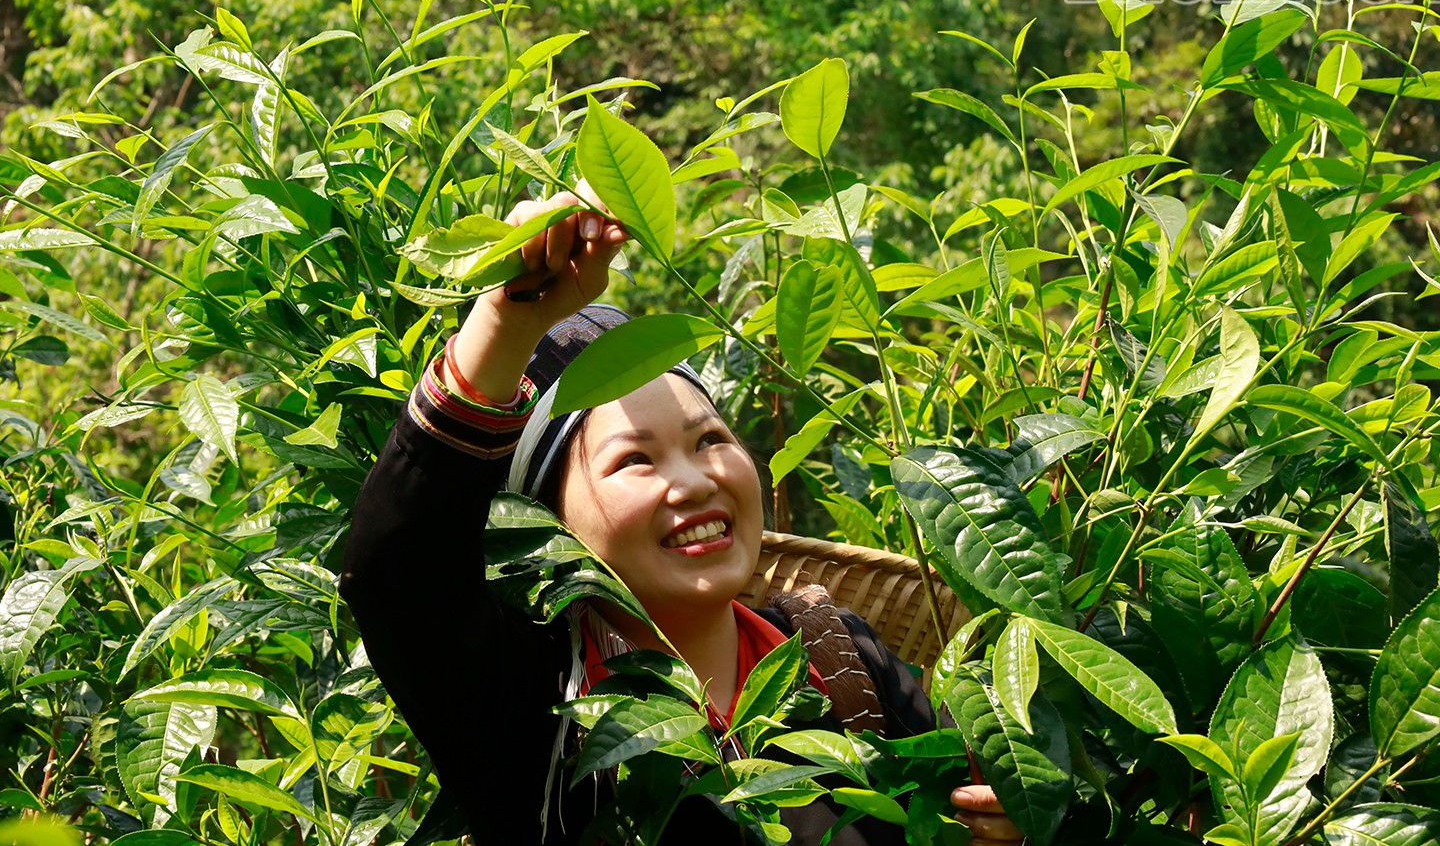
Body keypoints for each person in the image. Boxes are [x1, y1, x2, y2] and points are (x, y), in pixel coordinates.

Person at [339, 185, 1022, 845]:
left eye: (711, 440)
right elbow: (398, 575)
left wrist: (1005, 820)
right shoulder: (535, 703)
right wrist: (505, 323)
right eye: (635, 459)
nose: (694, 481)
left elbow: (957, 803)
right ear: (551, 520)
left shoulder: (832, 654)